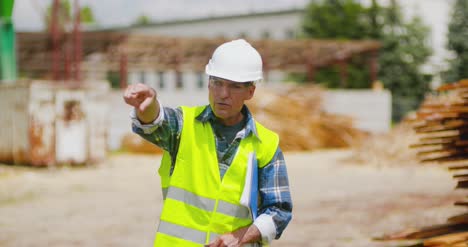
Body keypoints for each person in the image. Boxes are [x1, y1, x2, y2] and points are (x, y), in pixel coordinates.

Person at [123, 39, 292, 247]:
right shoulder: (185, 125)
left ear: (250, 91)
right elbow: (156, 122)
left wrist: (240, 236)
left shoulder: (265, 144)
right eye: (217, 82)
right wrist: (148, 105)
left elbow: (279, 211)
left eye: (234, 86)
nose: (223, 94)